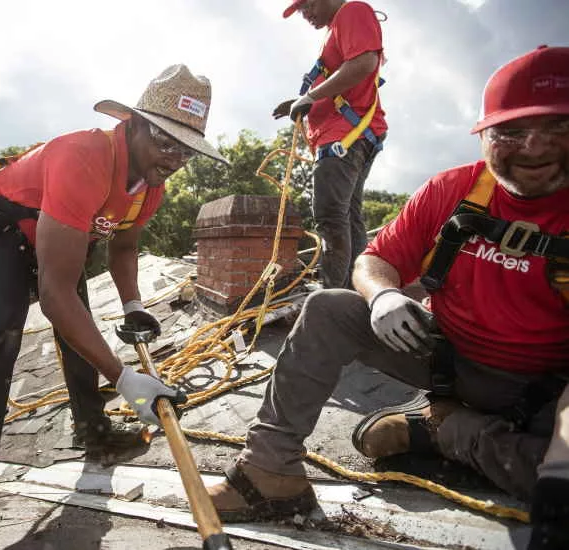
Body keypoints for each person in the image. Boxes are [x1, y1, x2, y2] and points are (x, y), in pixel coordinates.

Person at [208, 46, 569, 550]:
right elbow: (374, 261)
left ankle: (450, 433)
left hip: (545, 392)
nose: (532, 147)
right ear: (485, 134)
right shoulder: (453, 191)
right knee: (329, 308)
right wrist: (382, 296)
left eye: (556, 128)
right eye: (510, 131)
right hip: (448, 361)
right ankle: (270, 472)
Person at [0, 64, 228, 541]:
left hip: (63, 239)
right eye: (166, 141)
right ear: (133, 124)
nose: (174, 158)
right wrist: (126, 378)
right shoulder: (84, 155)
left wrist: (132, 306)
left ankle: (93, 433)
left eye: (186, 148)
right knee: (1, 329)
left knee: (79, 333)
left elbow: (124, 247)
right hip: (1, 230)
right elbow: (54, 295)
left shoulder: (150, 187)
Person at [273, 0, 387, 289]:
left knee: (331, 218)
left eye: (308, 5)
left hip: (344, 138)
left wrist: (310, 98)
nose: (306, 14)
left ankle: (332, 296)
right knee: (347, 217)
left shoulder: (352, 11)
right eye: (300, 11)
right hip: (351, 137)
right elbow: (347, 73)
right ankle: (354, 290)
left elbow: (364, 63)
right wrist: (305, 101)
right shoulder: (336, 28)